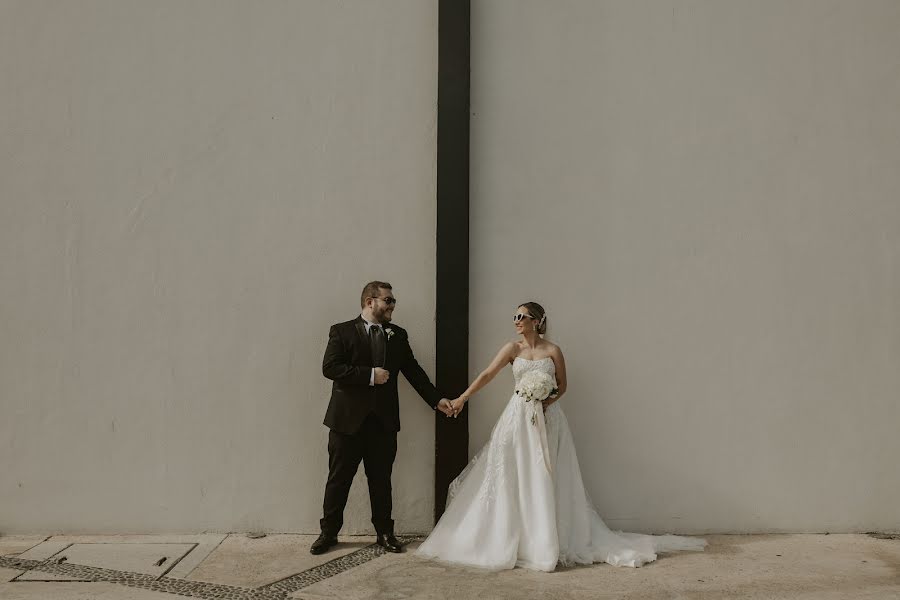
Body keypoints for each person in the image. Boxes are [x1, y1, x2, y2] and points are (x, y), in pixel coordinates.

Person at [416, 302, 706, 570]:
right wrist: (463, 398)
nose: (516, 321)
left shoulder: (553, 351)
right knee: (508, 470)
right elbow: (487, 375)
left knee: (545, 473)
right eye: (514, 316)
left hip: (548, 421)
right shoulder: (512, 349)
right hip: (516, 418)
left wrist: (544, 402)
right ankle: (506, 536)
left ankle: (544, 540)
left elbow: (562, 387)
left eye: (522, 316)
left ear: (537, 321)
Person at [311, 281, 454, 555]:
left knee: (381, 480)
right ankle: (328, 533)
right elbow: (330, 367)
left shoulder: (397, 335)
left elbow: (414, 372)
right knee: (338, 479)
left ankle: (385, 533)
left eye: (393, 300)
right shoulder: (341, 331)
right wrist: (369, 375)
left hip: (383, 423)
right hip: (346, 423)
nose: (392, 305)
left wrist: (437, 400)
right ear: (370, 301)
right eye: (388, 300)